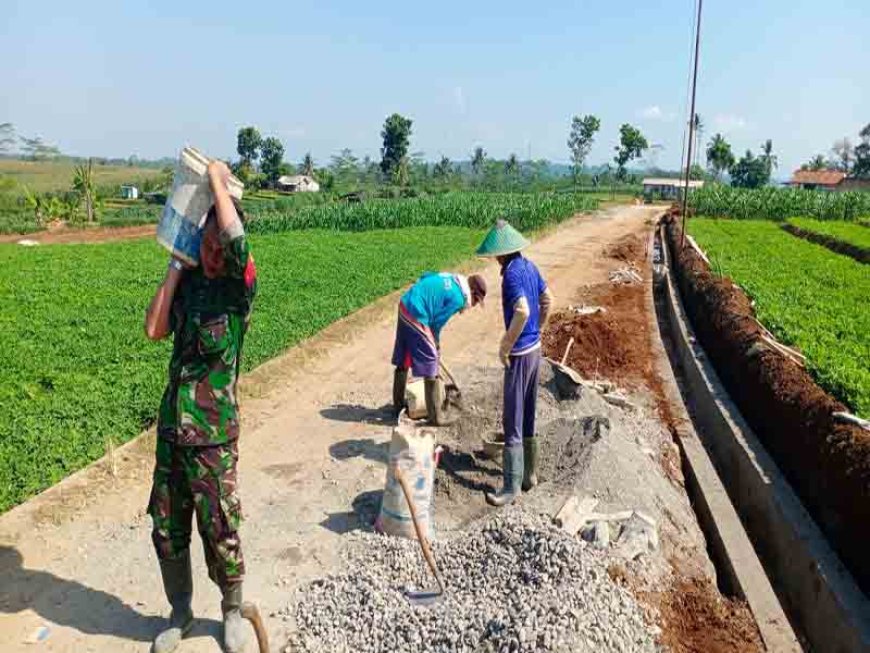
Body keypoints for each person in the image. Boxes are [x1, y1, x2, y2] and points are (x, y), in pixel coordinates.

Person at [143, 160, 257, 653]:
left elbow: (234, 236)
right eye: (204, 245)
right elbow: (153, 329)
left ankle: (231, 611)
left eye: (217, 248)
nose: (211, 254)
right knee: (167, 527)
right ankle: (180, 613)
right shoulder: (190, 284)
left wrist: (214, 178)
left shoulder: (238, 290)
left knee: (220, 529)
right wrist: (175, 264)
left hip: (213, 438)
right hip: (172, 432)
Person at [476, 220, 553, 506]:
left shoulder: (511, 276)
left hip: (520, 354)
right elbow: (547, 299)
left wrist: (506, 344)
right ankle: (529, 475)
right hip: (535, 351)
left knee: (513, 419)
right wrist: (539, 329)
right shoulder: (530, 267)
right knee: (529, 414)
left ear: (499, 254)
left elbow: (521, 309)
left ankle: (510, 489)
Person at [392, 271, 487, 425]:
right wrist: (435, 346)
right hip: (417, 313)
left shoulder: (451, 278)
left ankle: (397, 406)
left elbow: (424, 277)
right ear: (473, 293)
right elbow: (436, 323)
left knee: (405, 356)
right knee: (430, 360)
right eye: (477, 301)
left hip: (406, 304)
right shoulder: (457, 298)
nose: (475, 305)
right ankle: (435, 417)